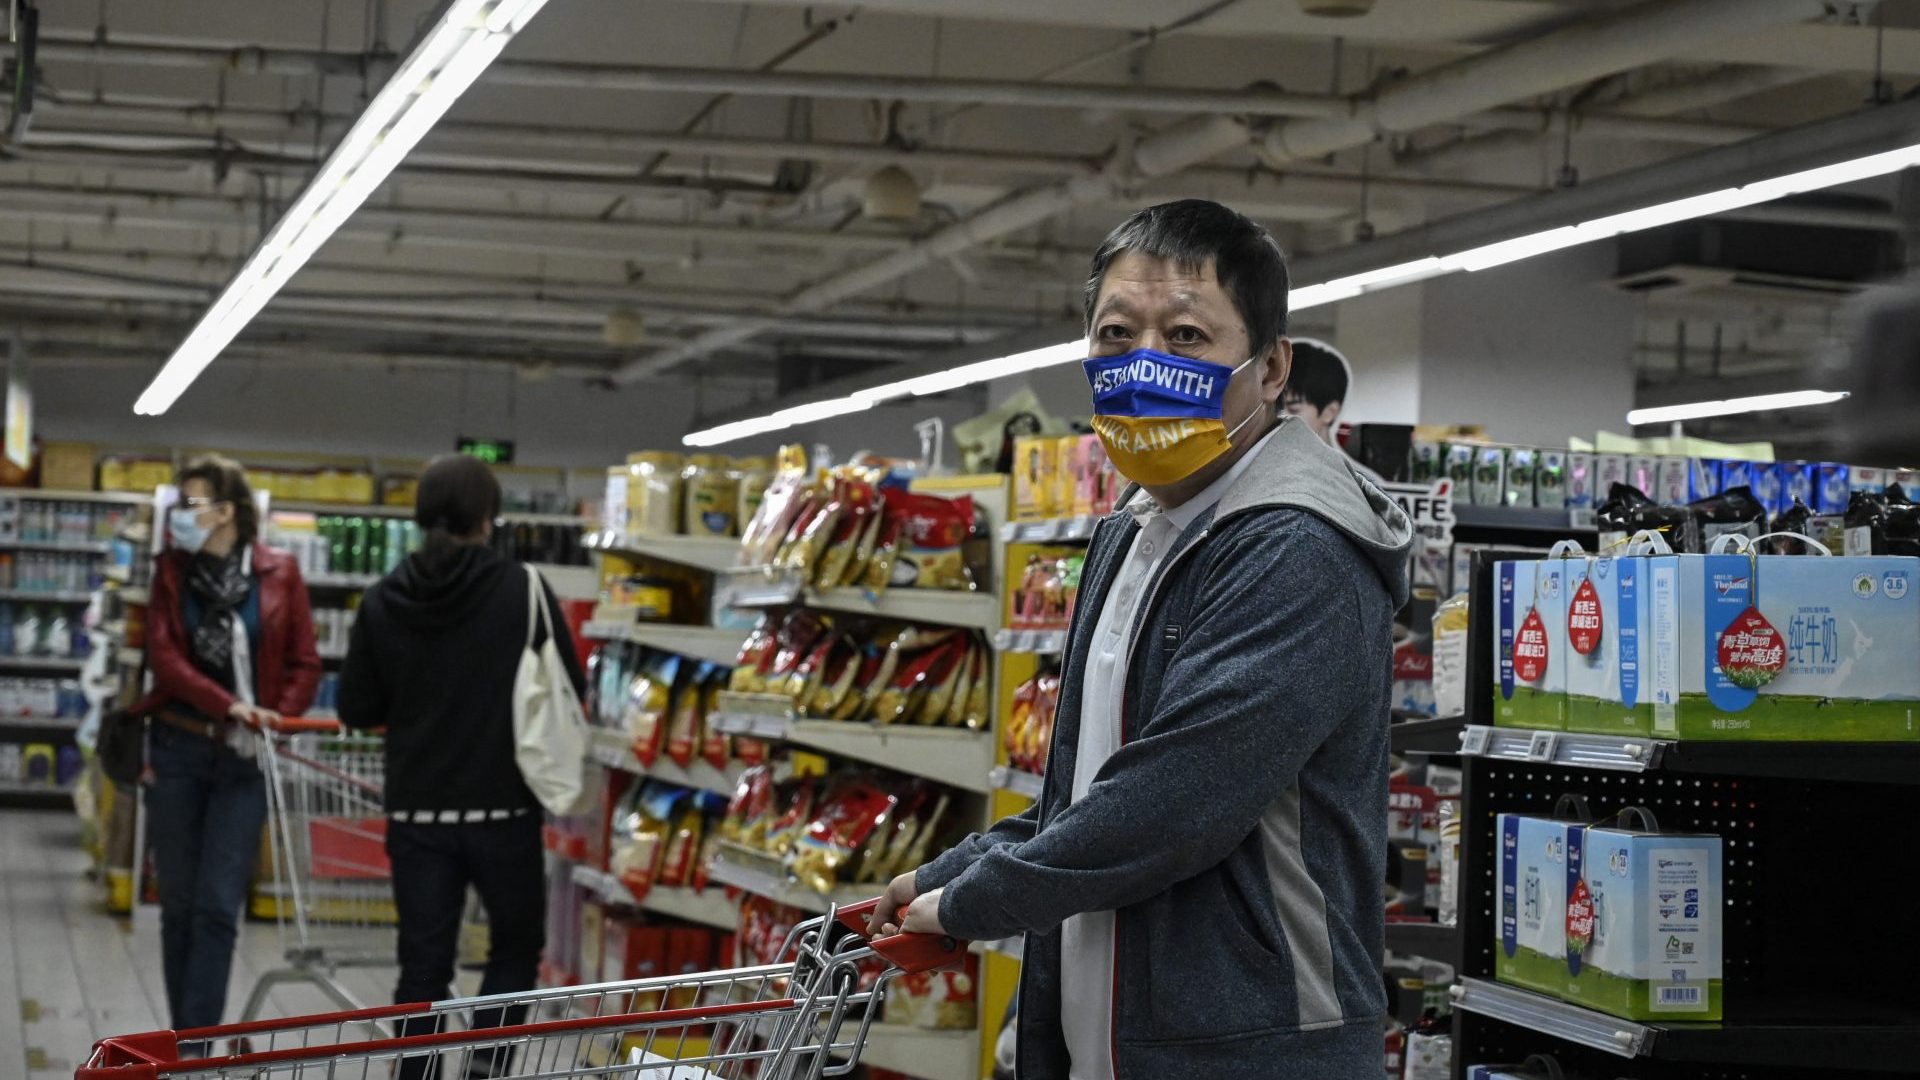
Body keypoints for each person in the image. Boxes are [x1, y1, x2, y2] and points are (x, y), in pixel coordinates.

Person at [870, 199, 1414, 1079]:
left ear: (1272, 367)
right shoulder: (1134, 527)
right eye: (1117, 334)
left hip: (1252, 1050)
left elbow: (1176, 800)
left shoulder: (1298, 549)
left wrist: (977, 899)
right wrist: (959, 865)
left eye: (1189, 336)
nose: (1146, 364)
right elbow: (1092, 788)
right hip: (1113, 1033)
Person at [338, 454, 585, 1080]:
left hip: (418, 812)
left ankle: (414, 1074)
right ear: (488, 515)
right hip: (504, 810)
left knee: (423, 963)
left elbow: (357, 706)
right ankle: (485, 1068)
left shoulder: (382, 597)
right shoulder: (522, 589)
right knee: (513, 948)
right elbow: (570, 684)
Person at [144, 455, 321, 1051]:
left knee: (219, 905)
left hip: (247, 761)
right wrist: (229, 706)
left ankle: (193, 1045)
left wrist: (274, 719)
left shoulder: (281, 573)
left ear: (226, 512)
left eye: (190, 505)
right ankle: (185, 1035)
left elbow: (304, 661)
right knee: (179, 905)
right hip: (178, 747)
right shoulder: (170, 572)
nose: (179, 518)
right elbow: (164, 660)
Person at [1283, 337, 1387, 484]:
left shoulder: (1362, 485)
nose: (1280, 417)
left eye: (1293, 408)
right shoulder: (1264, 472)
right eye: (1273, 408)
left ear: (1329, 412)